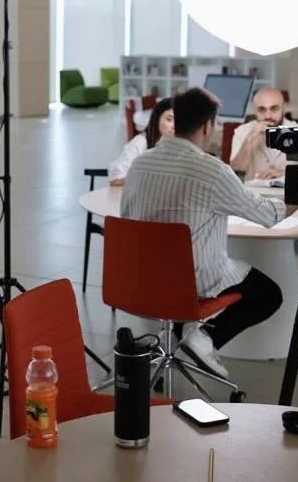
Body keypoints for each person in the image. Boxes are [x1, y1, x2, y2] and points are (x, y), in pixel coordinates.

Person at [121, 88, 285, 379]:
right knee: (268, 294)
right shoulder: (212, 171)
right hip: (189, 284)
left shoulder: (139, 163)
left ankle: (186, 332)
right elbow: (268, 216)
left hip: (136, 280)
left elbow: (127, 219)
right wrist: (295, 199)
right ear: (209, 126)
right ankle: (205, 337)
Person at [229, 88, 298, 181]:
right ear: (254, 110)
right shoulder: (243, 131)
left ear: (284, 109)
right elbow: (236, 171)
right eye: (261, 110)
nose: (268, 116)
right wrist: (250, 138)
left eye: (274, 109)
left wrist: (282, 173)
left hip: (287, 193)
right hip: (252, 192)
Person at [108, 98, 174, 186]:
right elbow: (115, 178)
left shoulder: (180, 145)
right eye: (169, 120)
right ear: (157, 119)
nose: (174, 126)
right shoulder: (140, 143)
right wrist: (148, 179)